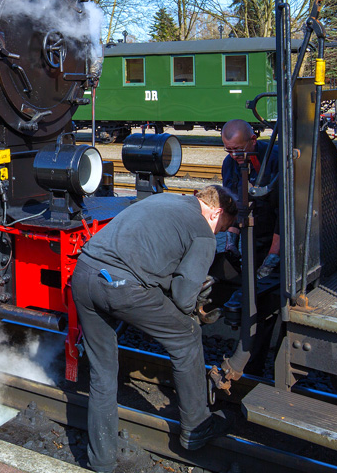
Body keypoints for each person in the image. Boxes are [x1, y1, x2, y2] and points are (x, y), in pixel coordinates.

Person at [70, 188, 235, 472]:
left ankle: (101, 461)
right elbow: (184, 300)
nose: (220, 233)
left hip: (85, 273)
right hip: (120, 286)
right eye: (223, 227)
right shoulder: (202, 231)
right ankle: (196, 427)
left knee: (103, 374)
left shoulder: (164, 198)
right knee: (187, 336)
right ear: (216, 212)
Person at [219, 119, 280, 279]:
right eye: (229, 150)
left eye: (238, 150)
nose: (234, 155)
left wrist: (273, 255)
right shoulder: (229, 163)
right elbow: (232, 203)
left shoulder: (275, 159)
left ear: (253, 140)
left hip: (277, 233)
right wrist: (231, 240)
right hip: (253, 235)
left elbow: (284, 213)